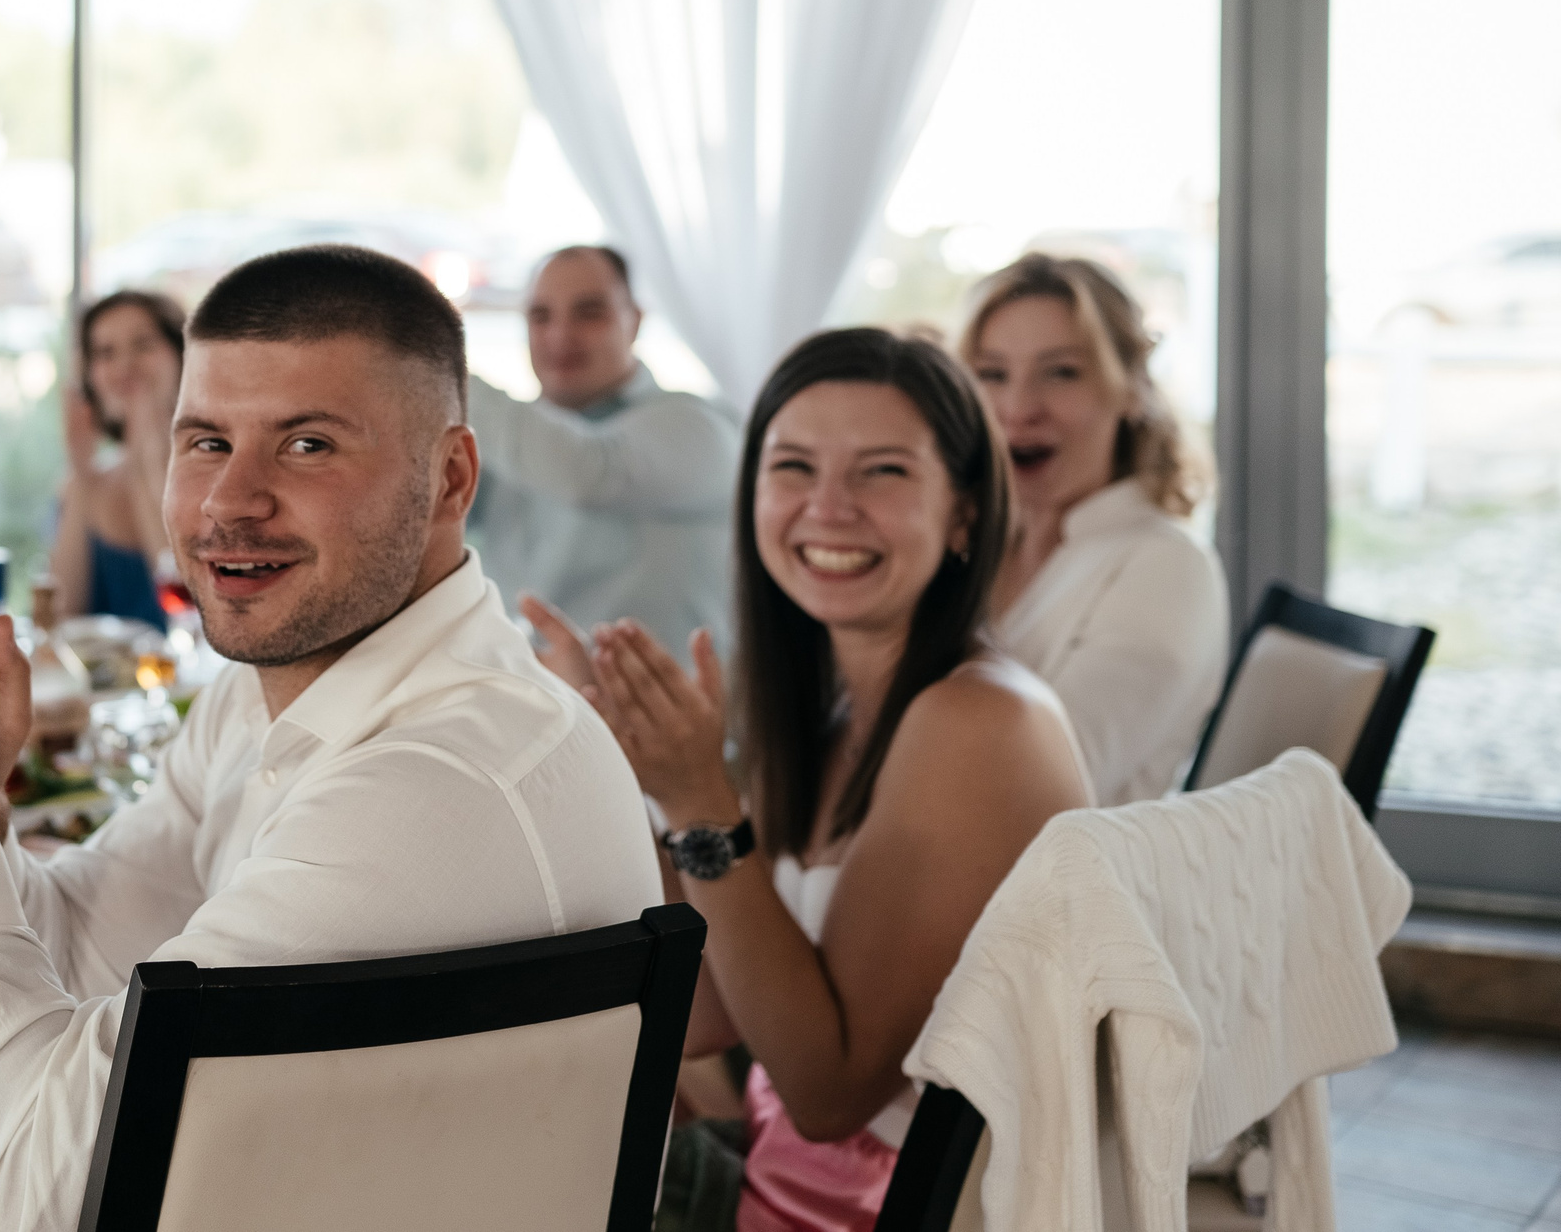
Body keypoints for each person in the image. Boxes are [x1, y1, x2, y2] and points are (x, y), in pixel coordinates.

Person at [0, 244, 663, 1232]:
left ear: (448, 477)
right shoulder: (259, 699)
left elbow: (23, 1194)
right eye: (205, 440)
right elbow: (89, 943)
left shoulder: (433, 785)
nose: (229, 500)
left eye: (306, 445)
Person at [542, 328, 1089, 1232]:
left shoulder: (981, 723)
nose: (828, 509)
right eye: (793, 467)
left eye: (882, 472)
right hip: (778, 1177)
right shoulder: (839, 708)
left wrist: (697, 800)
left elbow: (827, 1091)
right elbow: (714, 1005)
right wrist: (619, 764)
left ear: (963, 512)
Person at [960, 253, 1229, 807]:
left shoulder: (1166, 566)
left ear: (1131, 388)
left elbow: (1041, 788)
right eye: (991, 374)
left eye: (1061, 372)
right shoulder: (969, 546)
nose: (1018, 407)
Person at [469, 244, 742, 659]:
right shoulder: (508, 443)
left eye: (589, 313)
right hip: (515, 703)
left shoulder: (698, 426)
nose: (560, 336)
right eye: (540, 316)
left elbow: (587, 471)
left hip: (657, 717)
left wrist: (428, 369)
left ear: (635, 320)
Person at [48, 288, 184, 627]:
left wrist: (145, 464)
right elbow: (59, 618)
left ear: (182, 355)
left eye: (143, 345)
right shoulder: (84, 483)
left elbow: (189, 614)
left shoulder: (217, 478)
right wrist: (81, 471)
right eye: (106, 353)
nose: (126, 366)